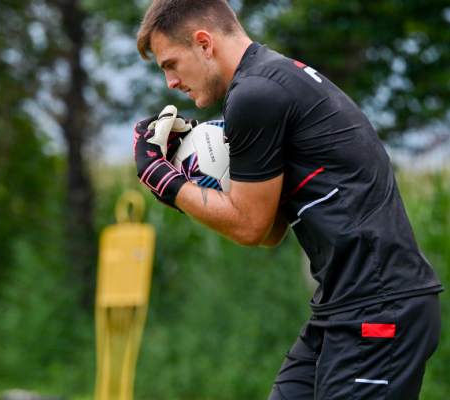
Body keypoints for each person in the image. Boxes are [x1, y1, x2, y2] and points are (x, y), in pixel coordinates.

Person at [133, 1, 444, 399]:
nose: (171, 82)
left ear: (204, 44)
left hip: (378, 305)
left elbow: (249, 227)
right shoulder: (266, 79)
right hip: (344, 305)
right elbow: (270, 231)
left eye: (171, 64)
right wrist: (190, 179)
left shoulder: (255, 95)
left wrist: (162, 179)